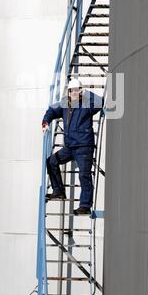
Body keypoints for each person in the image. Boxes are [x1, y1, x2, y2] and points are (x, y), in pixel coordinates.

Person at [41, 78, 104, 216]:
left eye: (77, 90)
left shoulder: (87, 104)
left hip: (84, 146)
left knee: (84, 175)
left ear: (80, 91)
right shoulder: (65, 104)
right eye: (72, 91)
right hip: (70, 147)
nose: (74, 93)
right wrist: (46, 121)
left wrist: (86, 92)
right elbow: (52, 110)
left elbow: (101, 102)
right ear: (68, 92)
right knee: (51, 161)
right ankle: (58, 191)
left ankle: (85, 205)